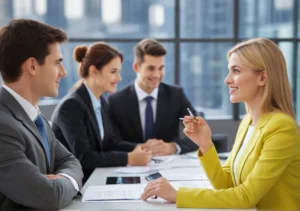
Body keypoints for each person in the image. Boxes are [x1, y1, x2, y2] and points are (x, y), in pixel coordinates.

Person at [141, 38, 300, 210]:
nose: (227, 80)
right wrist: (205, 144)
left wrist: (177, 195)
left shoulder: (282, 128)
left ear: (262, 77)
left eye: (236, 71)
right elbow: (226, 185)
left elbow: (245, 197)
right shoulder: (248, 122)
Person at [0, 19, 83, 210]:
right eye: (57, 63)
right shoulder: (3, 126)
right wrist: (68, 183)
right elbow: (48, 196)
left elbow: (70, 161)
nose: (62, 72)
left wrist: (62, 179)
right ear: (32, 66)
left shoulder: (35, 117)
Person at [51, 42, 152, 183]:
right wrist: (130, 158)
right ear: (94, 71)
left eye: (118, 71)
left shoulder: (101, 101)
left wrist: (142, 147)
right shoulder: (71, 106)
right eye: (113, 71)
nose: (119, 78)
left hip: (97, 178)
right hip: (78, 185)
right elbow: (85, 158)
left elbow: (109, 143)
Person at [108, 38, 198, 156]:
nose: (156, 75)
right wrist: (143, 148)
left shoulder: (176, 95)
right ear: (136, 67)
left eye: (161, 68)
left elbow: (199, 134)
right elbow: (111, 142)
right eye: (151, 68)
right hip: (132, 167)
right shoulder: (116, 101)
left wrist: (173, 147)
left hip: (169, 167)